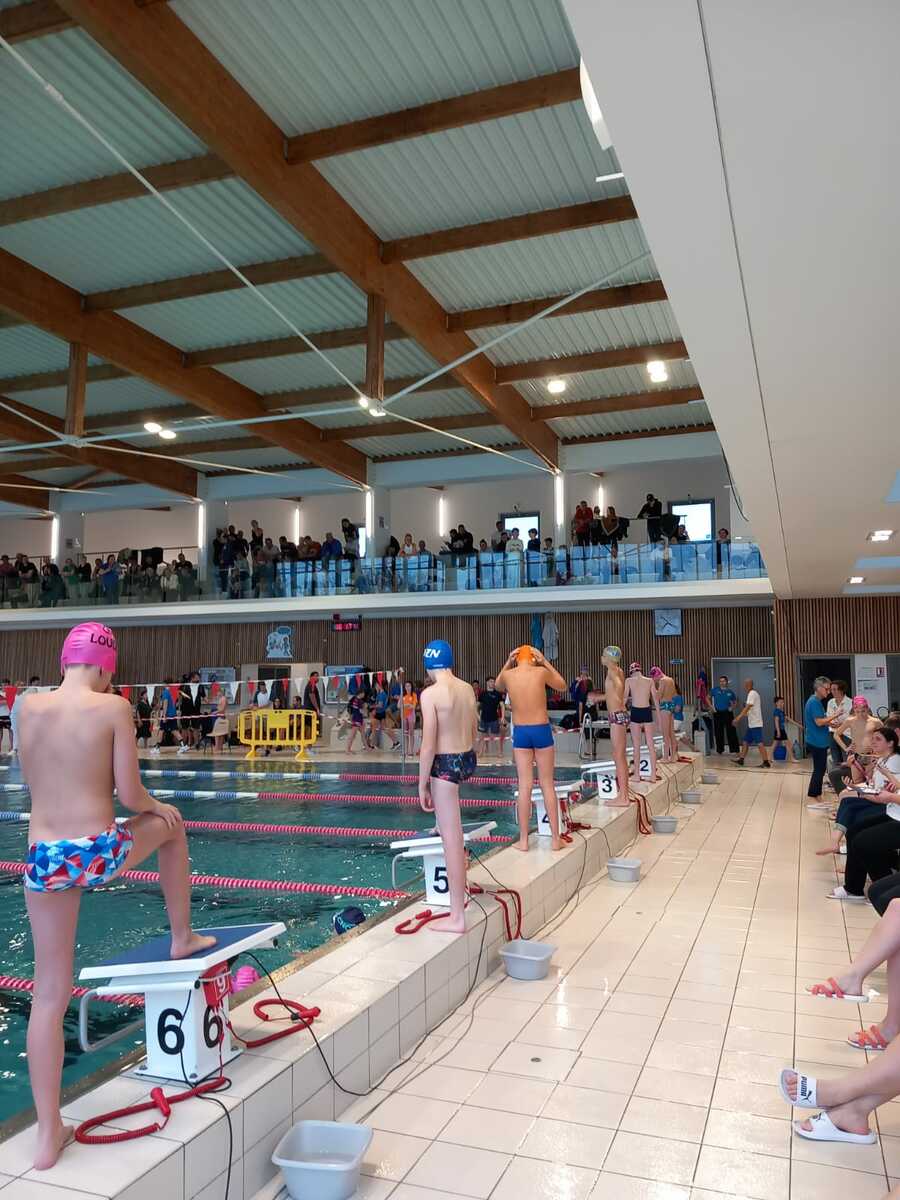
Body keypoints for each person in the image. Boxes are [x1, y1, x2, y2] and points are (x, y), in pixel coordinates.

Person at [17, 622, 215, 1170]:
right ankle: (181, 937)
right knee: (172, 827)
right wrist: (157, 806)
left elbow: (31, 779)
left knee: (49, 994)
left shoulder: (27, 707)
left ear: (65, 661)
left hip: (45, 859)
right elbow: (129, 793)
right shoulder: (113, 708)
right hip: (98, 851)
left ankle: (47, 1133)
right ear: (106, 667)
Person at [418, 639, 477, 934]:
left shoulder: (430, 694)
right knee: (447, 824)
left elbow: (428, 745)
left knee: (452, 842)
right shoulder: (467, 689)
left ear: (429, 665)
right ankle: (441, 823)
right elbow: (474, 729)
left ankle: (457, 917)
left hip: (444, 764)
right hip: (467, 758)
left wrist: (422, 785)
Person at [495, 645, 566, 852]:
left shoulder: (509, 675)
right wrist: (545, 661)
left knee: (524, 786)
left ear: (516, 659)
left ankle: (524, 840)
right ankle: (555, 839)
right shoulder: (541, 671)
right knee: (547, 784)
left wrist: (508, 662)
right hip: (541, 729)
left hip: (521, 732)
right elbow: (562, 685)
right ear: (534, 658)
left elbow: (498, 685)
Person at [817, 725, 900, 858]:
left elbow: (882, 792)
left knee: (849, 803)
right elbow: (869, 781)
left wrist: (857, 788)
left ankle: (839, 843)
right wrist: (854, 768)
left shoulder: (894, 761)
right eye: (872, 739)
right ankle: (836, 842)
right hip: (880, 798)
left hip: (888, 805)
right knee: (847, 800)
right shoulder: (881, 759)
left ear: (890, 743)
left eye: (878, 739)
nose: (873, 742)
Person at [592, 646, 629, 804]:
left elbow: (619, 687)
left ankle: (623, 797)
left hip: (617, 715)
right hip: (619, 715)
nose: (601, 657)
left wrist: (602, 698)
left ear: (609, 658)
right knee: (619, 756)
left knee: (618, 756)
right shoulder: (618, 670)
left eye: (603, 655)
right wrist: (603, 697)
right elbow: (615, 690)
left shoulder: (612, 670)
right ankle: (623, 794)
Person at [825, 697, 882, 798]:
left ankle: (870, 804)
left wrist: (879, 751)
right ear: (854, 710)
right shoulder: (850, 721)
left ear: (867, 709)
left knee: (871, 784)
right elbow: (836, 734)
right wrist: (846, 748)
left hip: (871, 756)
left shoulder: (875, 721)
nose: (860, 714)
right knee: (857, 784)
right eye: (857, 711)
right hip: (856, 757)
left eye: (863, 711)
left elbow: (886, 736)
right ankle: (860, 804)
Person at [625, 662, 659, 784]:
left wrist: (621, 713)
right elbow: (655, 700)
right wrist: (659, 718)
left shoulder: (628, 680)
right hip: (647, 711)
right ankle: (653, 775)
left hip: (635, 712)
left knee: (636, 746)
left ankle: (637, 775)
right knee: (650, 745)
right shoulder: (649, 681)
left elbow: (624, 699)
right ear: (640, 670)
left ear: (631, 671)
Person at [805, 676, 834, 802]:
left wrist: (831, 723)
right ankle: (814, 794)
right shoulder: (814, 702)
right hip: (816, 741)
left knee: (820, 768)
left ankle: (815, 792)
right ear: (818, 688)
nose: (828, 692)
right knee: (819, 769)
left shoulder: (816, 701)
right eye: (827, 689)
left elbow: (821, 720)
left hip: (817, 739)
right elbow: (818, 722)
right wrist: (835, 715)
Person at [733, 677, 771, 767]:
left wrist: (738, 717)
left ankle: (766, 762)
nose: (744, 686)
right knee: (745, 741)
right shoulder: (752, 694)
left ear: (749, 685)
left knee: (760, 743)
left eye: (746, 684)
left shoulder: (752, 693)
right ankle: (741, 760)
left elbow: (748, 707)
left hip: (755, 724)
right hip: (752, 724)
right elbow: (750, 709)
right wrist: (745, 714)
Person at [650, 667, 678, 763]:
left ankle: (665, 757)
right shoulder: (671, 680)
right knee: (672, 733)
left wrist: (654, 689)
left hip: (664, 707)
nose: (655, 680)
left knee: (665, 734)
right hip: (671, 705)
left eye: (654, 678)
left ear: (656, 675)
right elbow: (674, 694)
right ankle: (673, 756)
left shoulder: (662, 680)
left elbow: (658, 696)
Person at [710, 675, 740, 755]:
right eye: (720, 681)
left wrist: (732, 707)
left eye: (723, 681)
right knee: (718, 732)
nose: (721, 683)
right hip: (717, 713)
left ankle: (734, 750)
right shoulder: (715, 690)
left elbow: (736, 702)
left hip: (727, 713)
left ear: (726, 682)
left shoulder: (730, 692)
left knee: (731, 731)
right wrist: (711, 707)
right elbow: (707, 697)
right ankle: (720, 750)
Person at [477, 675, 506, 757]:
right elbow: (476, 706)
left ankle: (499, 752)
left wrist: (503, 717)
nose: (492, 683)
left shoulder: (498, 694)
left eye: (493, 682)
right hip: (483, 719)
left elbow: (502, 706)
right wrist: (477, 716)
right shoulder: (482, 694)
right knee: (482, 737)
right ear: (487, 683)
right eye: (491, 681)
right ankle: (480, 752)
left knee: (496, 737)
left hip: (494, 719)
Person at [827, 680, 853, 766]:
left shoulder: (850, 702)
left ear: (841, 690)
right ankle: (837, 773)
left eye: (835, 689)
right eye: (831, 689)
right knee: (835, 757)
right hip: (833, 731)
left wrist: (841, 724)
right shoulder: (830, 702)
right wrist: (831, 723)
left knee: (847, 756)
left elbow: (851, 719)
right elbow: (829, 717)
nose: (832, 691)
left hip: (846, 733)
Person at [302, 671, 322, 738]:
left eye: (318, 676)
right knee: (309, 727)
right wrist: (317, 708)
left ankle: (308, 742)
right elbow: (312, 696)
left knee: (310, 726)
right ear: (311, 677)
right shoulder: (311, 684)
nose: (318, 678)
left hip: (310, 709)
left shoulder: (312, 685)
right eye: (316, 676)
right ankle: (306, 742)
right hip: (310, 710)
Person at [401, 681, 418, 755]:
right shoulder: (403, 696)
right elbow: (399, 705)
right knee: (405, 733)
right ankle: (406, 751)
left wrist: (406, 705)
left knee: (411, 733)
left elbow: (413, 706)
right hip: (404, 716)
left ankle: (411, 751)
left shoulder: (414, 695)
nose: (408, 687)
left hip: (411, 715)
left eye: (409, 686)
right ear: (404, 687)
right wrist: (407, 705)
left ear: (411, 687)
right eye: (406, 686)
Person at [211, 688, 229, 754]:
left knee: (217, 733)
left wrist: (215, 712)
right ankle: (219, 747)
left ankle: (217, 747)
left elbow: (222, 709)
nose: (217, 694)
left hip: (220, 717)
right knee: (220, 733)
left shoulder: (223, 699)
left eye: (218, 692)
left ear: (221, 692)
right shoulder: (222, 699)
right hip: (220, 716)